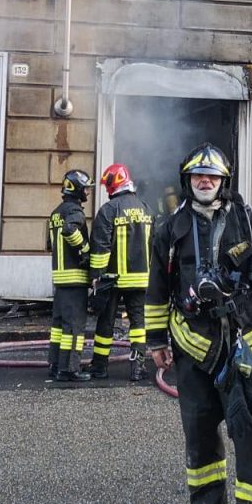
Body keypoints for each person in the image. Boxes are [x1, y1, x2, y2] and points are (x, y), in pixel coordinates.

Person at [145, 143, 252, 504]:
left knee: (250, 432)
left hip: (240, 344)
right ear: (187, 181)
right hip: (190, 346)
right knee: (199, 432)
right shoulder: (169, 227)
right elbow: (157, 289)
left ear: (224, 181)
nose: (205, 181)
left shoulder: (246, 221)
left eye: (212, 176)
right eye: (197, 176)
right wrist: (155, 340)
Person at [88, 162, 154, 381]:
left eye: (107, 184)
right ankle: (138, 368)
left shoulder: (108, 210)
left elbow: (100, 248)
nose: (106, 188)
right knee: (138, 324)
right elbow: (153, 245)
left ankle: (99, 367)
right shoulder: (145, 208)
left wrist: (96, 277)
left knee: (106, 322)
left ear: (114, 183)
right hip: (141, 279)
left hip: (113, 280)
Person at [46, 168, 94, 384]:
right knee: (74, 328)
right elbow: (69, 231)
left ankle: (56, 365)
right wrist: (84, 250)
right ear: (77, 189)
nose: (88, 193)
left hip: (60, 279)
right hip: (75, 280)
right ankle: (70, 370)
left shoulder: (56, 212)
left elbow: (50, 244)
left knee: (59, 327)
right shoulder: (75, 211)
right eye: (86, 189)